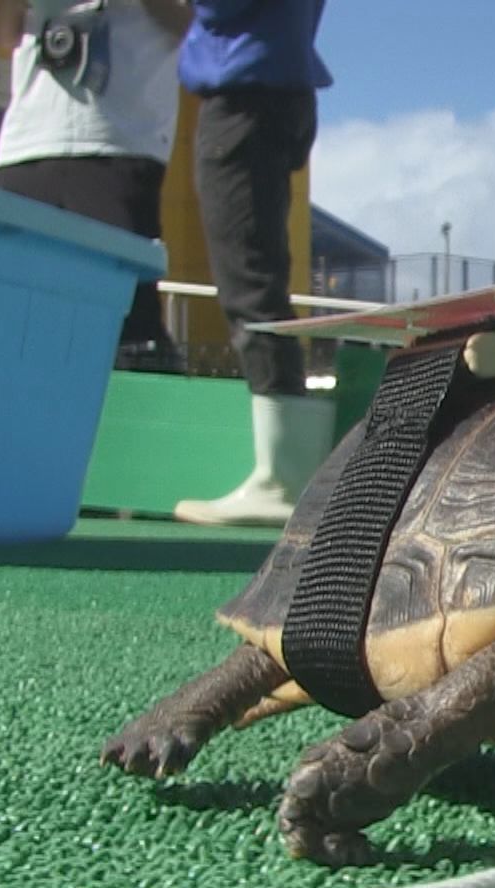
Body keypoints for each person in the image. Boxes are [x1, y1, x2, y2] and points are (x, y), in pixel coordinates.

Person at [171, 0, 336, 527]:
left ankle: (283, 480)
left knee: (248, 281)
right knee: (258, 277)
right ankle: (284, 475)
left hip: (246, 89)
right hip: (277, 84)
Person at [0, 0, 190, 373]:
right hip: (27, 145)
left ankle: (140, 422)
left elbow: (190, 25)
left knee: (127, 326)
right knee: (12, 316)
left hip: (118, 140)